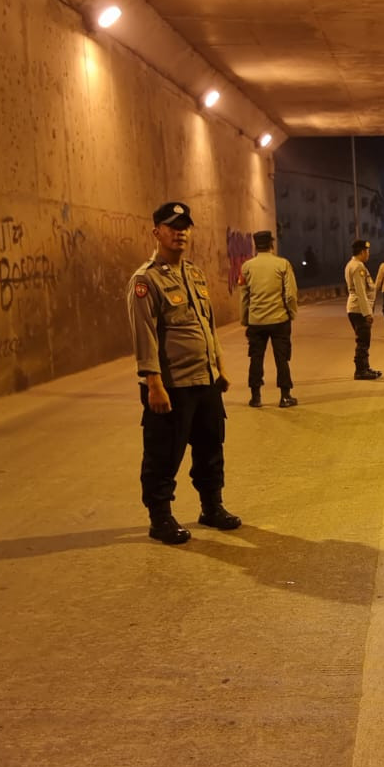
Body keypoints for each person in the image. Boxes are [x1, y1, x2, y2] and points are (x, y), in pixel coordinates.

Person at [127, 200, 242, 545]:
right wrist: (153, 383)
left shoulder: (194, 273)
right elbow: (143, 334)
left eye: (185, 226)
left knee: (211, 447)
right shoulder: (145, 280)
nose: (180, 232)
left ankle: (211, 506)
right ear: (156, 232)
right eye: (173, 226)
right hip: (172, 384)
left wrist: (219, 366)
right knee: (164, 453)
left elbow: (207, 324)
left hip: (205, 380)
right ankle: (160, 518)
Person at [238, 230, 298, 408]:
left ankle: (256, 397)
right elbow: (290, 295)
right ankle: (285, 396)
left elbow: (244, 296)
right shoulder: (282, 264)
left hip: (256, 322)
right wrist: (291, 313)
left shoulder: (246, 267)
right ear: (272, 245)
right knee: (282, 358)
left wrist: (245, 319)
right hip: (279, 320)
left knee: (256, 358)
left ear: (256, 246)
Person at [344, 239, 383, 380]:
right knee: (363, 341)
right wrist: (367, 313)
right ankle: (360, 370)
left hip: (356, 308)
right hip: (359, 309)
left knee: (364, 340)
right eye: (367, 251)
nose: (368, 254)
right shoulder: (358, 267)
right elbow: (360, 292)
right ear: (362, 252)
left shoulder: (352, 264)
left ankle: (365, 367)